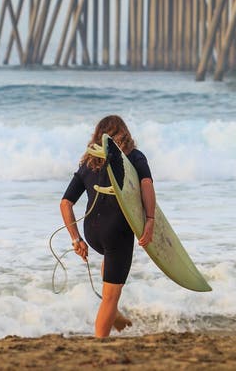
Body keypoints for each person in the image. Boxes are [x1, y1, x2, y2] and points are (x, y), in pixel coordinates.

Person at [60, 115, 156, 338]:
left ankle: (117, 320)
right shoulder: (134, 157)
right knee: (111, 296)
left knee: (109, 274)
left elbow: (65, 203)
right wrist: (150, 220)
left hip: (91, 232)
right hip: (117, 232)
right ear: (125, 133)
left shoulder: (89, 162)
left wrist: (76, 239)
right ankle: (99, 343)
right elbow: (146, 184)